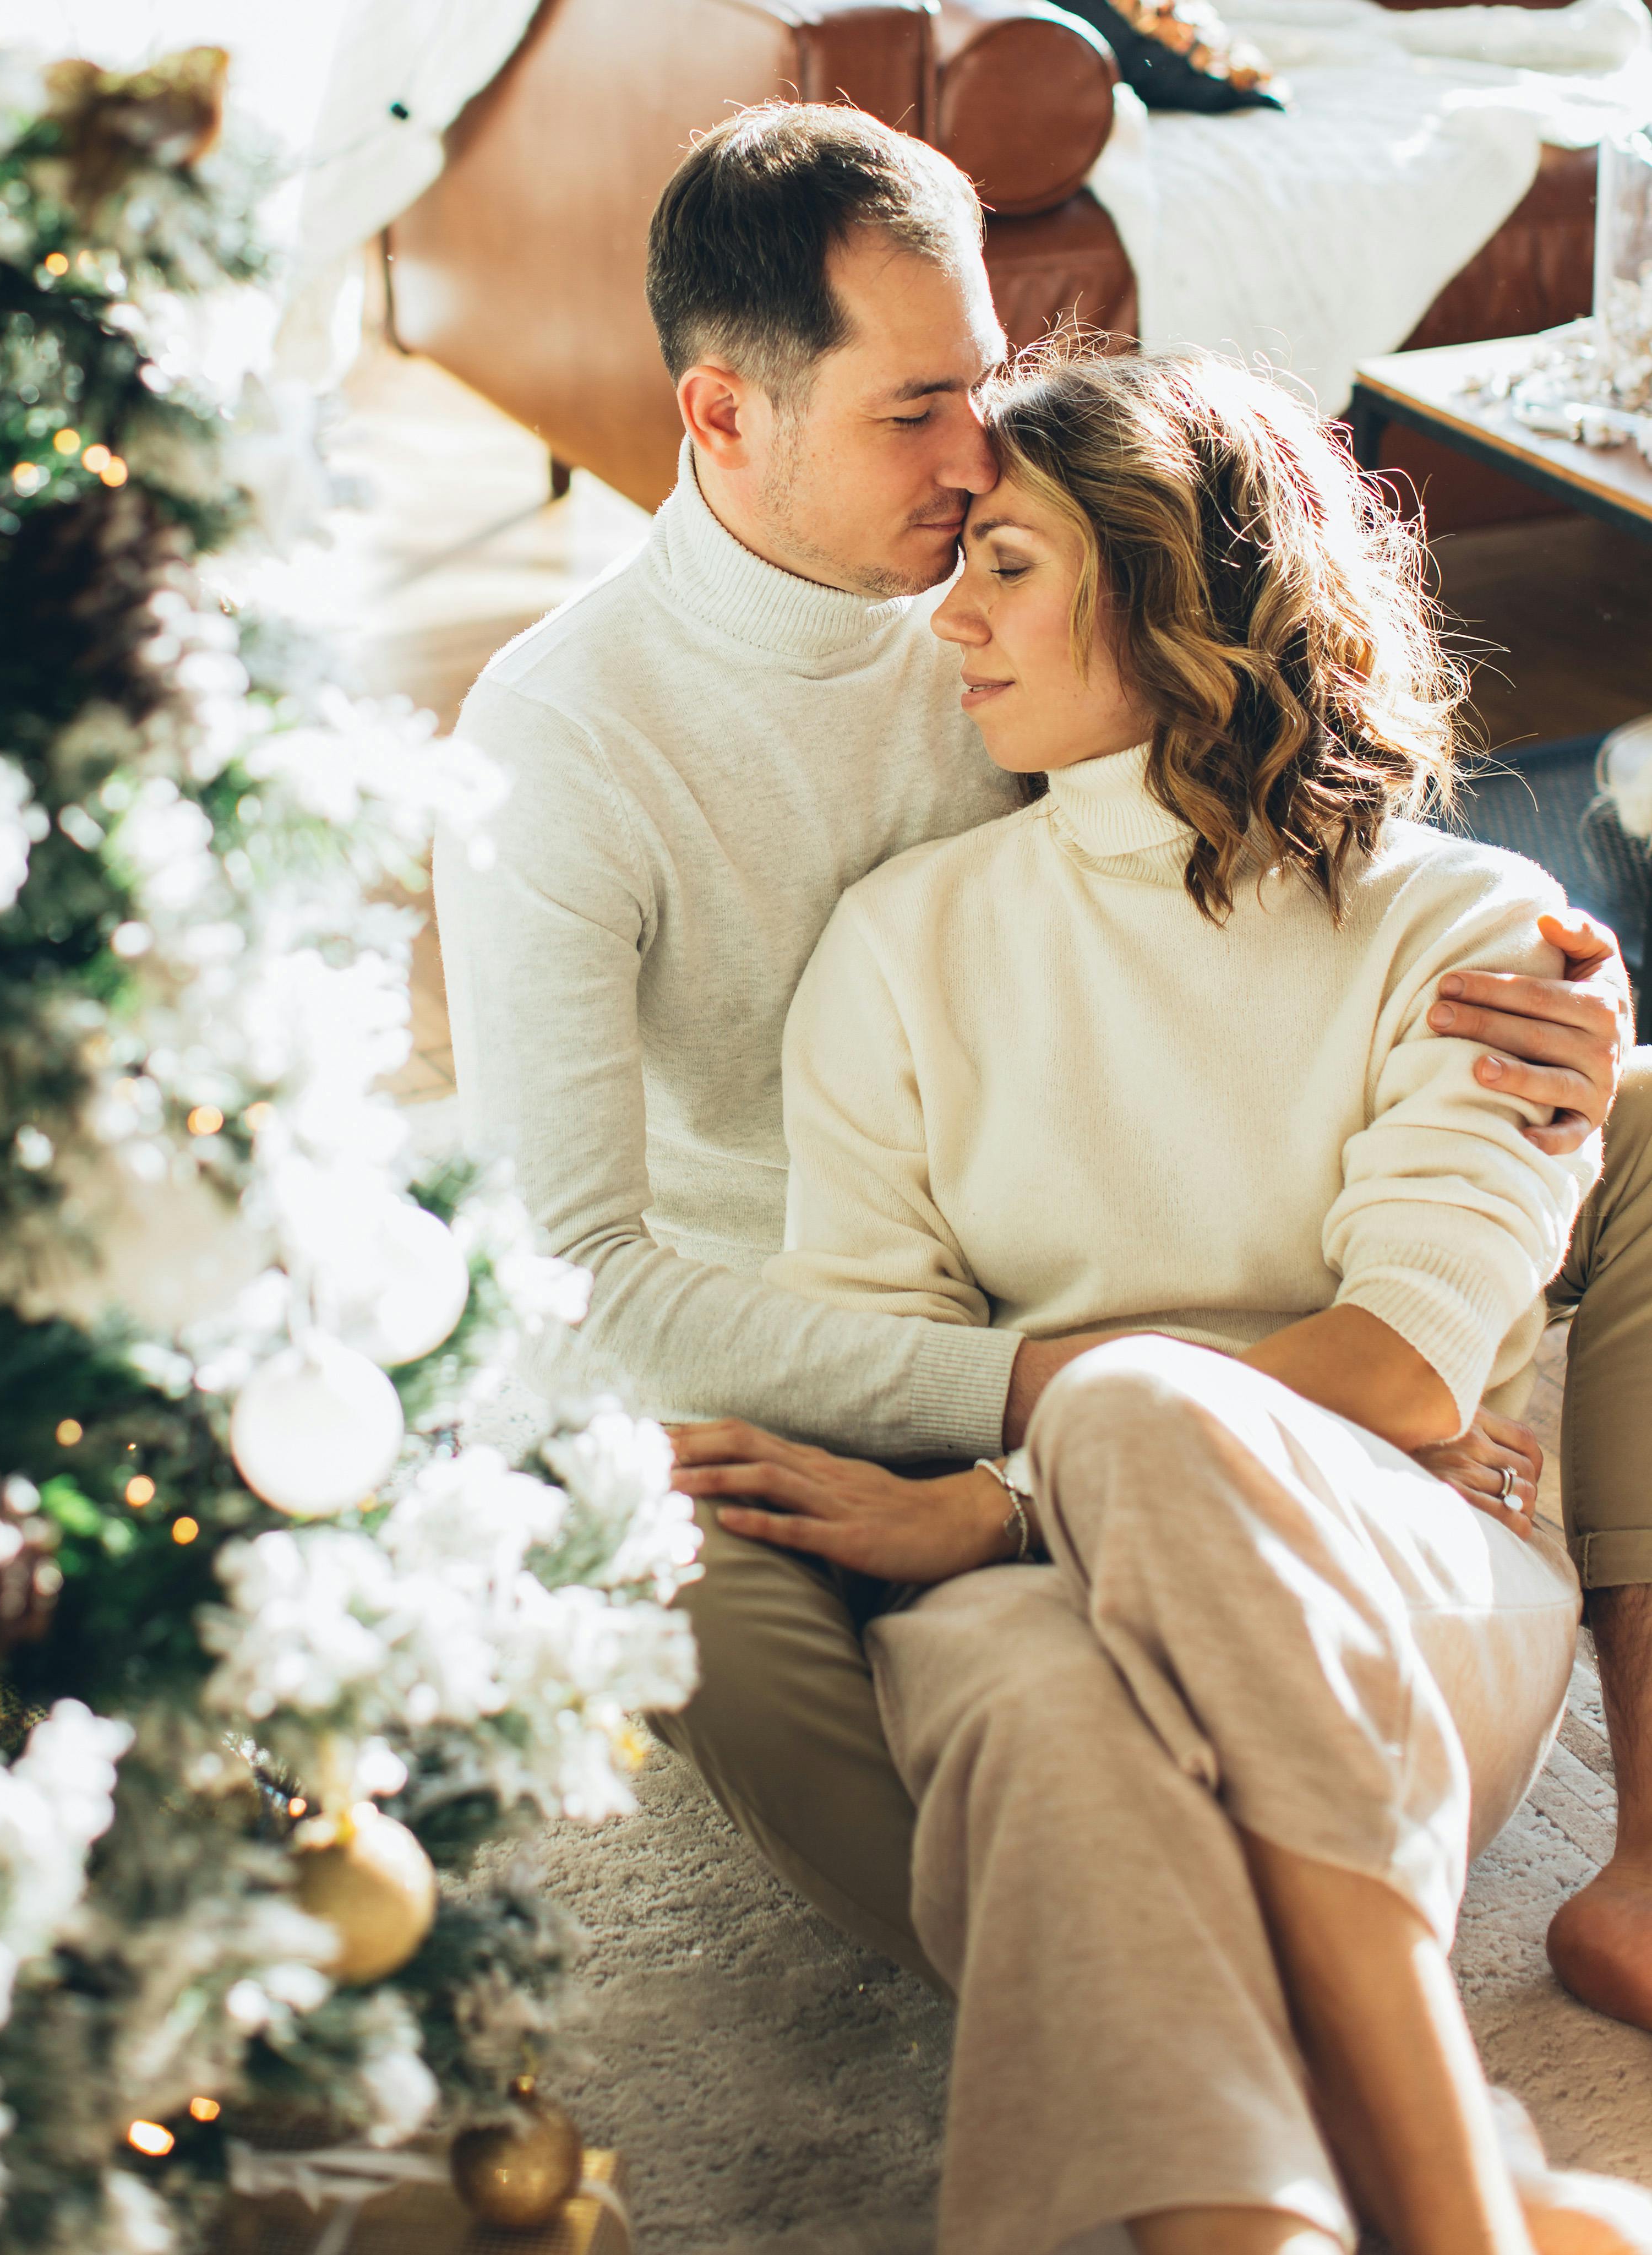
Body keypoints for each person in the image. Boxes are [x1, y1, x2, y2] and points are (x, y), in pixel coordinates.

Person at [433, 105, 1652, 2025]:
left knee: (1620, 1105)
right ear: (723, 419)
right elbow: (577, 1285)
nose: (975, 452)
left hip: (1095, 1298)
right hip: (796, 1338)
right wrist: (1054, 1406)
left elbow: (1267, 860)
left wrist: (1571, 995)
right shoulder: (564, 741)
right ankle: (1134, 1952)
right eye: (913, 408)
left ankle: (1625, 1840)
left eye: (983, 378)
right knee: (674, 1550)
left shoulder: (1017, 586)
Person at [676, 345, 1622, 2255]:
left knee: (1118, 1408)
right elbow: (886, 1374)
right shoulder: (905, 945)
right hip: (1022, 1611)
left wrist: (1024, 1472)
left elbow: (1406, 1366)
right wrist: (1017, 1504)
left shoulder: (1475, 935)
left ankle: (1445, 2205)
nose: (952, 615)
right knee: (1039, 1700)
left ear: (1175, 583)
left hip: (1404, 1588)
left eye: (1007, 561)